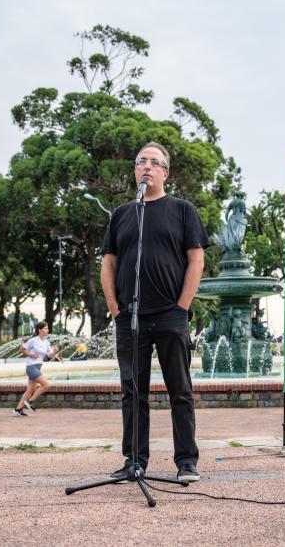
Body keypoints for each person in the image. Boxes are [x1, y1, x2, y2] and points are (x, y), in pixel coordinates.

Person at [100, 141, 208, 483]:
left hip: (170, 315)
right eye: (140, 162)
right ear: (135, 171)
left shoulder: (182, 210)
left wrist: (182, 307)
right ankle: (134, 461)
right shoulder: (121, 214)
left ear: (165, 172)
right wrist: (115, 307)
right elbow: (109, 264)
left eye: (153, 162)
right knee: (133, 392)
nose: (146, 167)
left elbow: (196, 260)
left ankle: (186, 462)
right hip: (130, 317)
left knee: (180, 390)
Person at [13, 321, 60, 416]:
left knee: (29, 390)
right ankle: (30, 401)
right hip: (31, 367)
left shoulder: (46, 342)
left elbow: (50, 355)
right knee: (47, 385)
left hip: (37, 368)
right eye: (45, 328)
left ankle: (18, 409)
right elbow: (21, 349)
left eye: (47, 328)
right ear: (39, 330)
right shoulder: (33, 340)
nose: (48, 330)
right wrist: (30, 354)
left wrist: (54, 351)